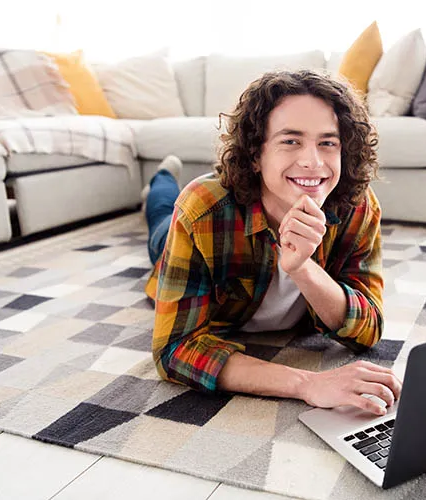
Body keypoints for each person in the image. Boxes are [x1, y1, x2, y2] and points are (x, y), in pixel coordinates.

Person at [143, 70, 401, 416]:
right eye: (291, 141)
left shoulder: (357, 205)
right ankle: (162, 177)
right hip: (180, 234)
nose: (313, 161)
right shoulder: (202, 210)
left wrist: (303, 268)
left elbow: (366, 330)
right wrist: (307, 384)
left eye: (328, 142)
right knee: (160, 215)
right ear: (255, 154)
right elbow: (175, 350)